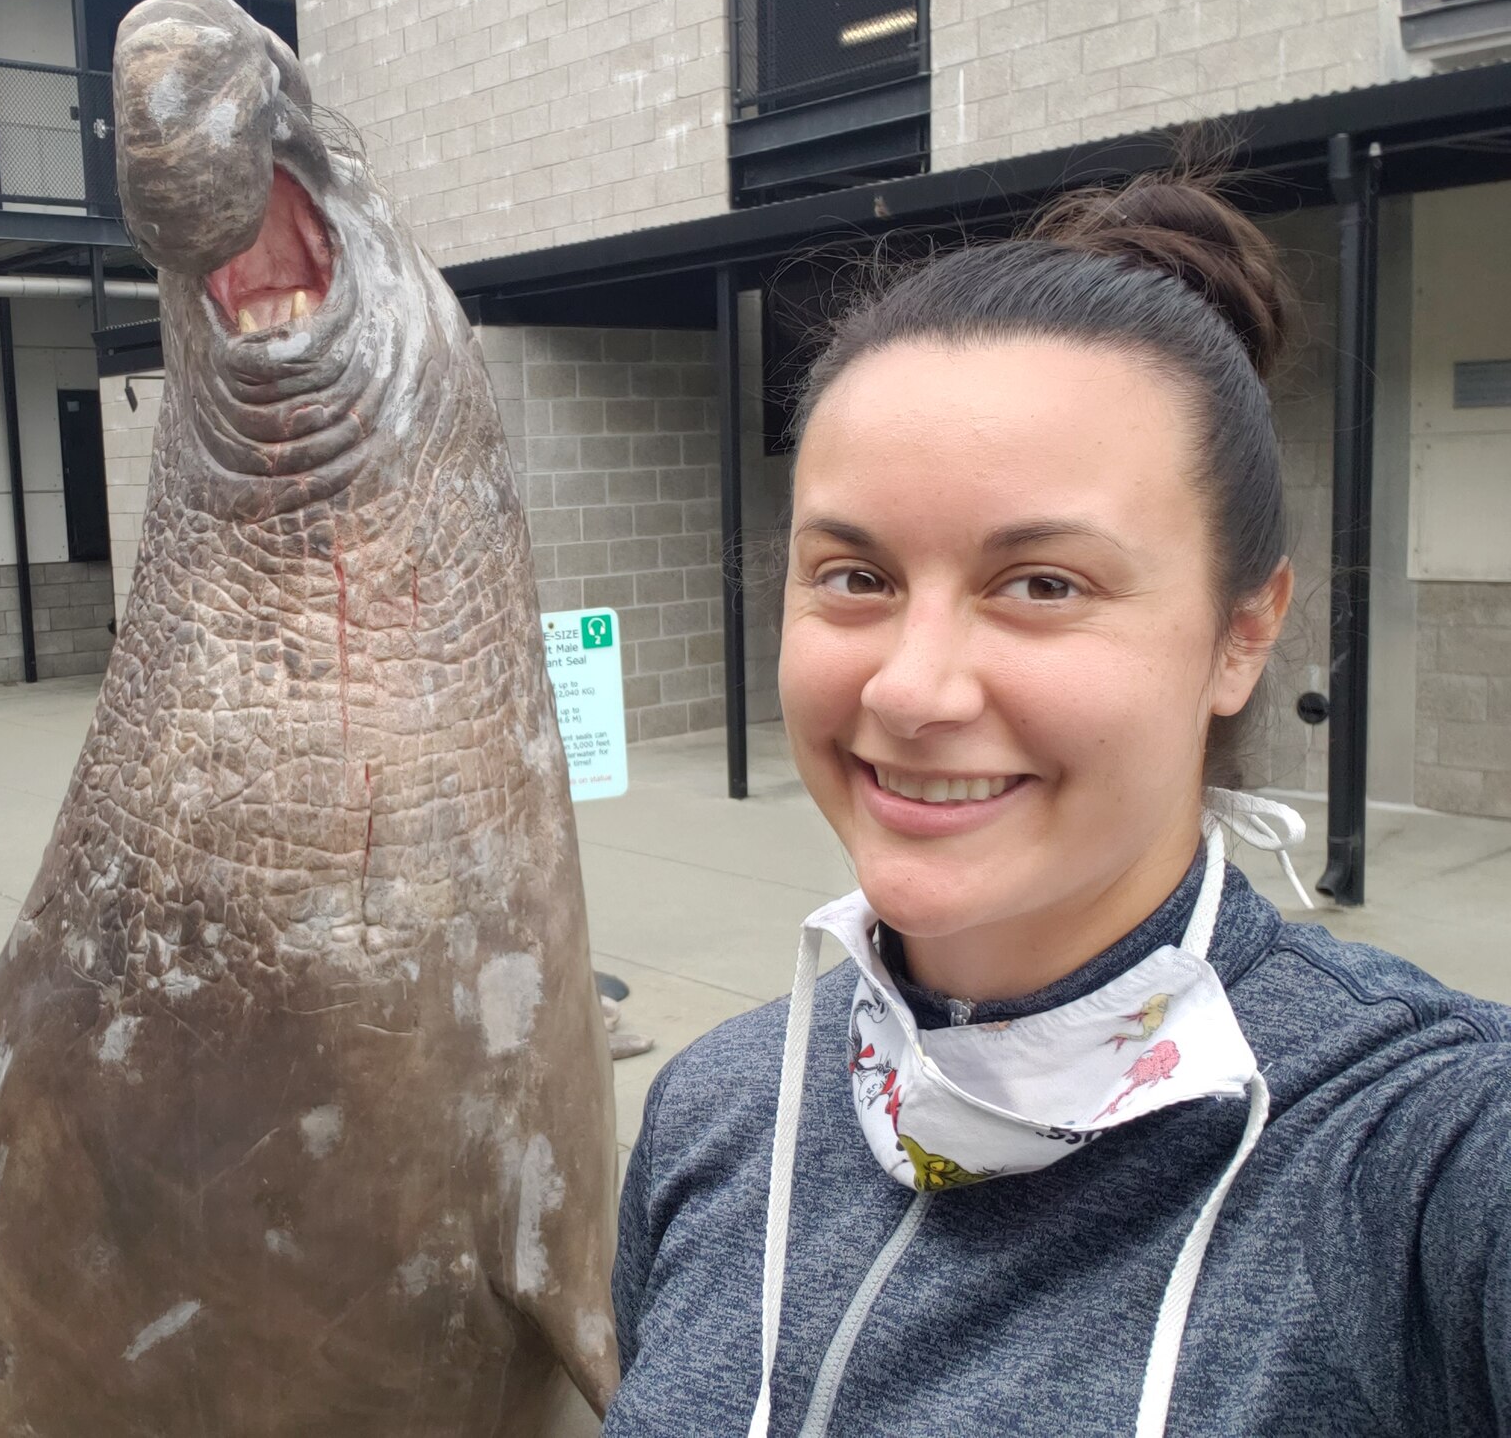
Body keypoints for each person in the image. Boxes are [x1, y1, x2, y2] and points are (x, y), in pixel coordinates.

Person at [604, 172, 1511, 1436]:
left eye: (1039, 584)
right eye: (854, 573)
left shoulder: (1423, 1155)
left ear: (1242, 631)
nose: (911, 688)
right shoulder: (719, 1110)